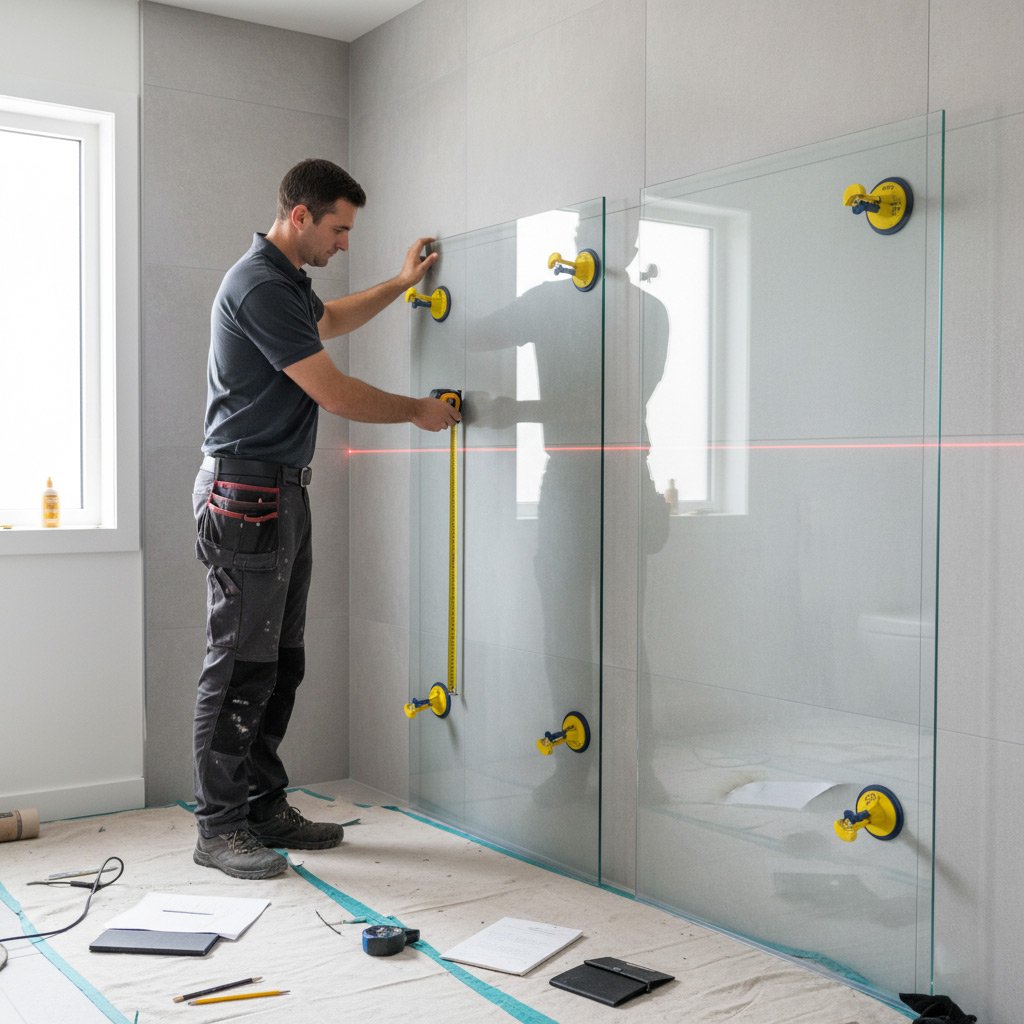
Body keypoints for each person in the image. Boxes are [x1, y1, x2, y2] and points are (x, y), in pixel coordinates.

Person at [191, 158, 460, 880]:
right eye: (339, 229)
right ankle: (218, 828)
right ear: (300, 215)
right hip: (246, 494)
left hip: (276, 491)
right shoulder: (256, 284)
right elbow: (333, 392)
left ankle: (262, 806)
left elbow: (332, 318)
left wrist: (402, 285)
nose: (345, 243)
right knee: (242, 663)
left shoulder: (284, 285)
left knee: (280, 661)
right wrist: (417, 410)